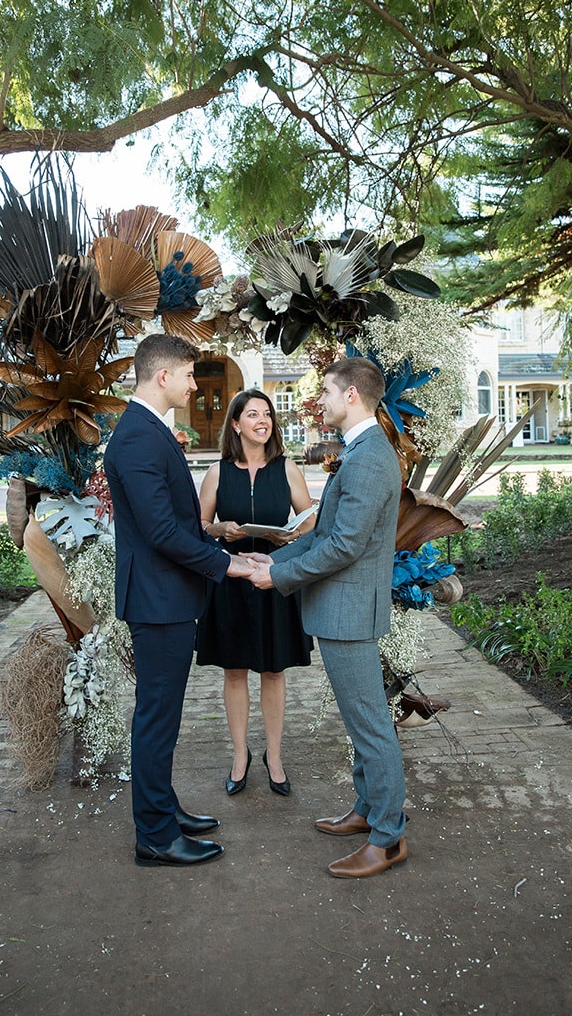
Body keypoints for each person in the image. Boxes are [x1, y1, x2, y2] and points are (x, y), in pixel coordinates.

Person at [244, 356, 408, 879]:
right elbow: (325, 532)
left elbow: (344, 546)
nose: (322, 400)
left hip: (350, 613)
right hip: (343, 610)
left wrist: (281, 578)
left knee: (371, 726)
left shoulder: (367, 458)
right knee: (362, 722)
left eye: (329, 392)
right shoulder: (361, 451)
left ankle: (388, 837)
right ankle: (366, 811)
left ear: (353, 396)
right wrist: (277, 559)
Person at [104, 333, 253, 868]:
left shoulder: (149, 430)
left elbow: (174, 522)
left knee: (162, 715)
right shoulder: (139, 438)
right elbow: (163, 531)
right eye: (189, 375)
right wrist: (227, 563)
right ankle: (155, 836)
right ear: (162, 376)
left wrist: (217, 540)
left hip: (166, 597)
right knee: (156, 718)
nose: (195, 385)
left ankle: (163, 809)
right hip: (157, 601)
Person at [196, 390, 316, 797]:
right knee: (233, 670)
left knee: (273, 669)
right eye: (253, 415)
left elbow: (310, 522)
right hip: (229, 580)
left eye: (267, 415)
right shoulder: (217, 472)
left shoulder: (287, 469)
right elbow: (200, 526)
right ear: (236, 424)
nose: (263, 421)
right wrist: (221, 530)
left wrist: (291, 538)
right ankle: (240, 754)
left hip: (275, 579)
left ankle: (275, 756)